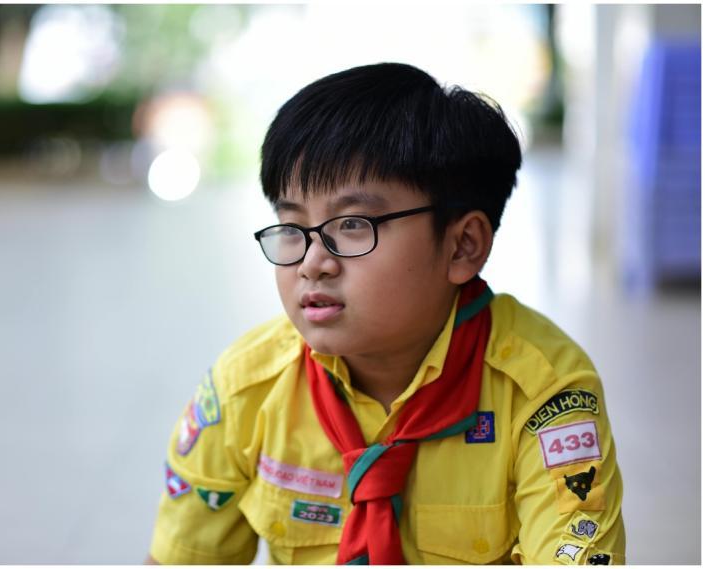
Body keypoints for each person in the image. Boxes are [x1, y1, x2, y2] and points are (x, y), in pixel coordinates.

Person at [147, 62, 625, 565]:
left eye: (352, 224)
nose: (313, 263)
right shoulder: (246, 388)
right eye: (292, 225)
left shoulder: (542, 392)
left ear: (463, 245)